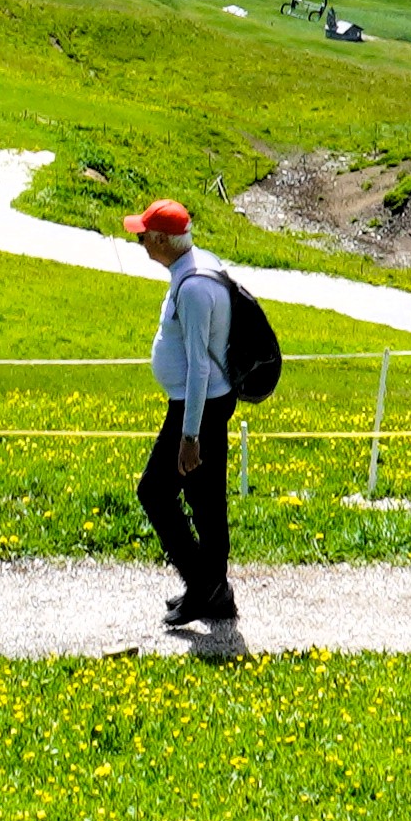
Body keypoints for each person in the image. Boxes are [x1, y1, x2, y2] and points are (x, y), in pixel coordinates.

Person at [131, 199, 239, 631]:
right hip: (208, 401)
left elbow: (198, 367)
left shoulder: (192, 289)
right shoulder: (201, 265)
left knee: (154, 493)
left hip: (198, 405)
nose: (140, 242)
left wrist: (189, 436)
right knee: (205, 499)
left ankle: (203, 584)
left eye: (144, 236)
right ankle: (216, 590)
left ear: (162, 239)